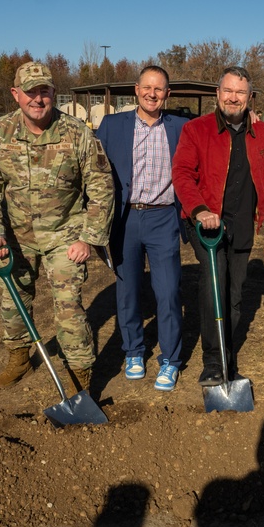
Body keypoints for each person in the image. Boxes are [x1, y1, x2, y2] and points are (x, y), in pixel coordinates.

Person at [0, 61, 114, 393]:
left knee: (68, 308)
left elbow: (101, 186)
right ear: (16, 94)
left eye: (44, 91)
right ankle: (19, 360)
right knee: (13, 300)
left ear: (53, 93)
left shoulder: (77, 133)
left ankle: (81, 380)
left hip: (65, 235)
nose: (38, 99)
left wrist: (89, 239)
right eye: (31, 92)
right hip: (15, 237)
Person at [172, 66, 264, 386]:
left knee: (234, 296)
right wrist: (200, 209)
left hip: (244, 226)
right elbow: (181, 174)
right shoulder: (197, 129)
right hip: (207, 226)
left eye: (240, 93)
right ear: (217, 94)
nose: (233, 98)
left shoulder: (263, 135)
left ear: (250, 98)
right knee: (214, 289)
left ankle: (226, 353)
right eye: (228, 91)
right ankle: (212, 362)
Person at [95, 66, 188, 392]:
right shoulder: (111, 126)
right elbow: (93, 172)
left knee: (168, 291)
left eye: (159, 89)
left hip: (164, 218)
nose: (152, 93)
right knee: (129, 289)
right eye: (147, 87)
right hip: (126, 219)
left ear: (168, 94)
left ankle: (171, 359)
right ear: (136, 90)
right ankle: (134, 351)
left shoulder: (181, 128)